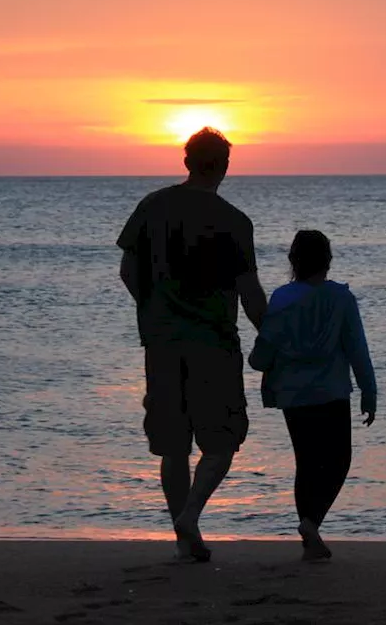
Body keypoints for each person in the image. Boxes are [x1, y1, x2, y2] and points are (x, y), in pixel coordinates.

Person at [116, 127, 268, 563]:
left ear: (186, 162)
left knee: (172, 445)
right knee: (221, 443)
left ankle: (184, 539)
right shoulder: (235, 221)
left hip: (161, 343)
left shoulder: (153, 205)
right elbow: (251, 293)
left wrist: (152, 309)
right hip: (214, 344)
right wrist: (273, 339)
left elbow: (128, 269)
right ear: (224, 166)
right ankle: (191, 515)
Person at [247, 230, 377, 561]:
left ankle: (310, 533)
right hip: (332, 391)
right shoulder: (341, 299)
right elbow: (356, 347)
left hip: (293, 394)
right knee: (338, 460)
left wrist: (261, 360)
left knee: (306, 462)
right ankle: (311, 524)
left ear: (293, 261)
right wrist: (369, 390)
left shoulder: (282, 298)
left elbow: (262, 354)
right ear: (328, 261)